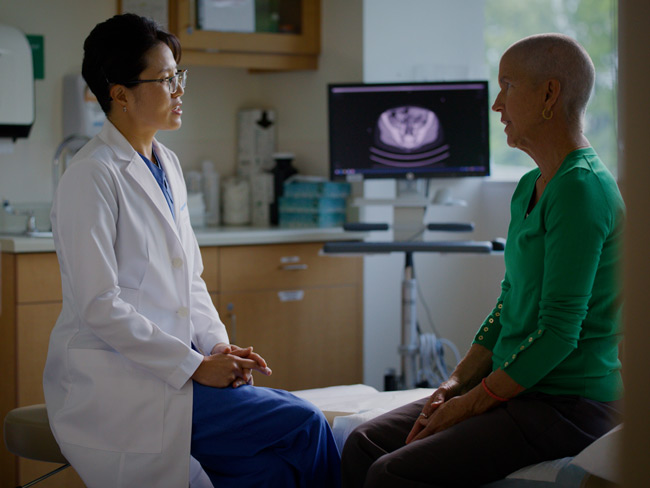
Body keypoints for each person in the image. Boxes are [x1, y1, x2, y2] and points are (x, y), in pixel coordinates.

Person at [43, 14, 340, 488]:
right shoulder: (92, 175)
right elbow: (100, 306)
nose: (180, 89)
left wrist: (217, 344)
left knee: (272, 470)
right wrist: (196, 365)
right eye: (165, 79)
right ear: (119, 93)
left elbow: (191, 280)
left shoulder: (168, 164)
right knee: (304, 423)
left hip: (174, 372)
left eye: (179, 75)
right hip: (120, 386)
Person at [341, 33, 624, 488]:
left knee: (392, 472)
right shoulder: (530, 184)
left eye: (508, 86)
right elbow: (509, 299)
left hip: (568, 403)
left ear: (550, 94)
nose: (497, 104)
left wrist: (474, 403)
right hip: (518, 388)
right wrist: (455, 386)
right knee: (365, 443)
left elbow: (558, 333)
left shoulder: (581, 189)